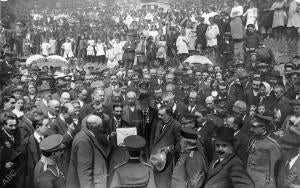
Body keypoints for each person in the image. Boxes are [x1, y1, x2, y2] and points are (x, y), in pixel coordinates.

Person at [66, 115, 111, 188]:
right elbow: (84, 173)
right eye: (101, 127)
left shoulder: (87, 135)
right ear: (95, 128)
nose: (102, 129)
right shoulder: (83, 141)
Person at [149, 105, 180, 188]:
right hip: (155, 160)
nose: (159, 117)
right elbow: (154, 140)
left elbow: (180, 144)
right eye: (158, 114)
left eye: (162, 115)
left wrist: (169, 148)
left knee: (163, 184)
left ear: (169, 114)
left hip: (167, 163)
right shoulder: (159, 123)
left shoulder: (176, 125)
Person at [247, 115, 281, 188]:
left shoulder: (272, 144)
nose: (251, 129)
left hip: (262, 182)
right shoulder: (253, 138)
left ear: (263, 128)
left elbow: (275, 167)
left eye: (254, 127)